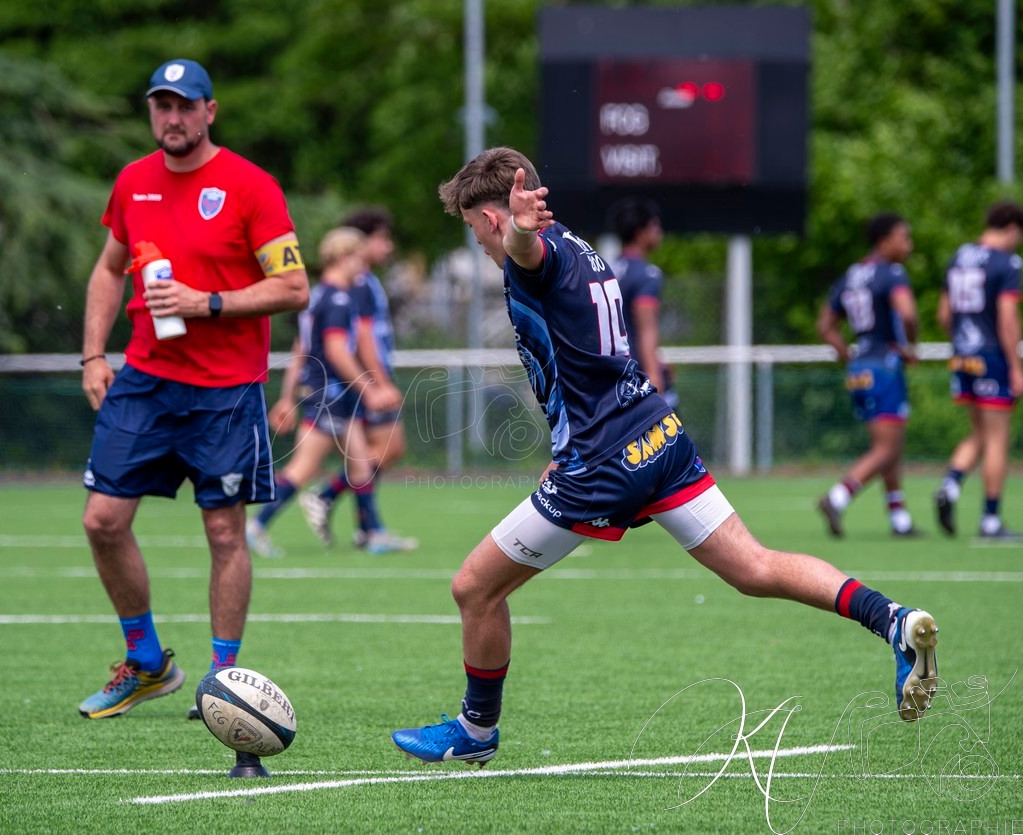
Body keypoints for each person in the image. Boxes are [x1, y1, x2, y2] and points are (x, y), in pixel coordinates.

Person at [391, 147, 940, 767]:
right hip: (655, 434)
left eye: (473, 230)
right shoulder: (583, 247)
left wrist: (517, 234)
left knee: (474, 589)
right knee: (754, 567)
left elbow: (525, 253)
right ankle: (891, 619)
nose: (478, 246)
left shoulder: (531, 254)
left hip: (603, 461)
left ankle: (476, 731)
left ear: (492, 218)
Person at [76, 58, 308, 723]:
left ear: (210, 111)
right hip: (145, 381)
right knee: (101, 520)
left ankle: (222, 680)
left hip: (226, 391)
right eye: (161, 106)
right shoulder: (133, 181)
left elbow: (293, 288)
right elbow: (107, 270)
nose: (172, 118)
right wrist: (93, 354)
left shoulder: (250, 186)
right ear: (151, 112)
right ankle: (147, 662)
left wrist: (205, 301)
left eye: (185, 105)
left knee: (224, 532)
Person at [246, 227, 401, 557]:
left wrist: (288, 396)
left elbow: (300, 348)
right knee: (301, 470)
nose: (364, 267)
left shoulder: (318, 295)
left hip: (330, 393)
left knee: (359, 466)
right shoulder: (339, 300)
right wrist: (370, 390)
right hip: (329, 394)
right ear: (344, 257)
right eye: (359, 259)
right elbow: (336, 351)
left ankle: (373, 534)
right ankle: (255, 526)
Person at [296, 207, 418, 553]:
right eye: (382, 239)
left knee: (367, 454)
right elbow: (361, 338)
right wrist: (378, 384)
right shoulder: (356, 284)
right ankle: (335, 502)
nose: (388, 246)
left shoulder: (360, 282)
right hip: (358, 382)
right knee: (381, 450)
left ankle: (366, 526)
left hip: (357, 381)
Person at [815, 213, 920, 537]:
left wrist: (848, 353)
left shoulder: (852, 275)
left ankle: (898, 517)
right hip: (884, 366)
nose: (909, 245)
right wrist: (910, 345)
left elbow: (825, 326)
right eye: (904, 237)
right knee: (887, 448)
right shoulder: (892, 273)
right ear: (884, 241)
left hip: (860, 368)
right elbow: (908, 313)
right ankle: (838, 497)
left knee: (891, 443)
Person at [933, 201, 1023, 539]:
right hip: (993, 357)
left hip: (962, 356)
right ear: (1013, 227)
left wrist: (961, 346)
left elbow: (944, 315)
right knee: (999, 437)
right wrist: (1016, 366)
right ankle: (990, 521)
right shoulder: (1007, 263)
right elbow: (1007, 318)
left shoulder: (959, 257)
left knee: (980, 434)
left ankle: (951, 486)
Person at [610, 198, 677, 408]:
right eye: (655, 226)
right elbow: (645, 329)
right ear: (641, 232)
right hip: (636, 375)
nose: (659, 232)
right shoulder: (647, 275)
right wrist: (654, 377)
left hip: (611, 372)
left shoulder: (606, 270)